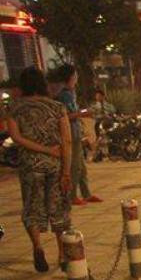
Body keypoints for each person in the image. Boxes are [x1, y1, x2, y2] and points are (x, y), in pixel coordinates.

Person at [6, 66, 71, 273]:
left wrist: (40, 150)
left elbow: (16, 138)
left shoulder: (14, 108)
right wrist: (66, 171)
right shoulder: (57, 107)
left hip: (29, 166)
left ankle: (38, 246)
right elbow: (67, 140)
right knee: (57, 208)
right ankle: (62, 254)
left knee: (32, 207)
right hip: (55, 165)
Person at [54, 64, 100, 206]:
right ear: (71, 76)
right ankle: (71, 196)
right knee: (74, 166)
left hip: (76, 132)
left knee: (81, 165)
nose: (77, 77)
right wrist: (83, 113)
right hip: (70, 134)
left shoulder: (70, 93)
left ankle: (86, 194)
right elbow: (65, 116)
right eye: (75, 75)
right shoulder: (64, 95)